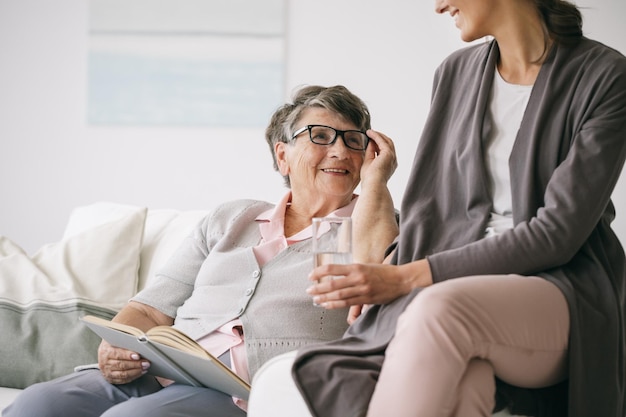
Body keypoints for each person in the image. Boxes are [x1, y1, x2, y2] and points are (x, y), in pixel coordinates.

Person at [284, 1, 626, 417]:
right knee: (465, 386)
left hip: (561, 289)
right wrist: (386, 271)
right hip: (457, 284)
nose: (439, 4)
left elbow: (557, 235)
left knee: (438, 310)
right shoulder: (456, 72)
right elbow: (430, 207)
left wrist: (402, 279)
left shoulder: (606, 75)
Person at [3, 84, 399, 417]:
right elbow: (147, 310)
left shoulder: (370, 227)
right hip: (159, 369)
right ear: (283, 156)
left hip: (243, 392)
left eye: (354, 140)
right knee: (36, 404)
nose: (341, 151)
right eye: (321, 136)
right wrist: (115, 348)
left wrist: (377, 181)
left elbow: (373, 273)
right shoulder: (232, 218)